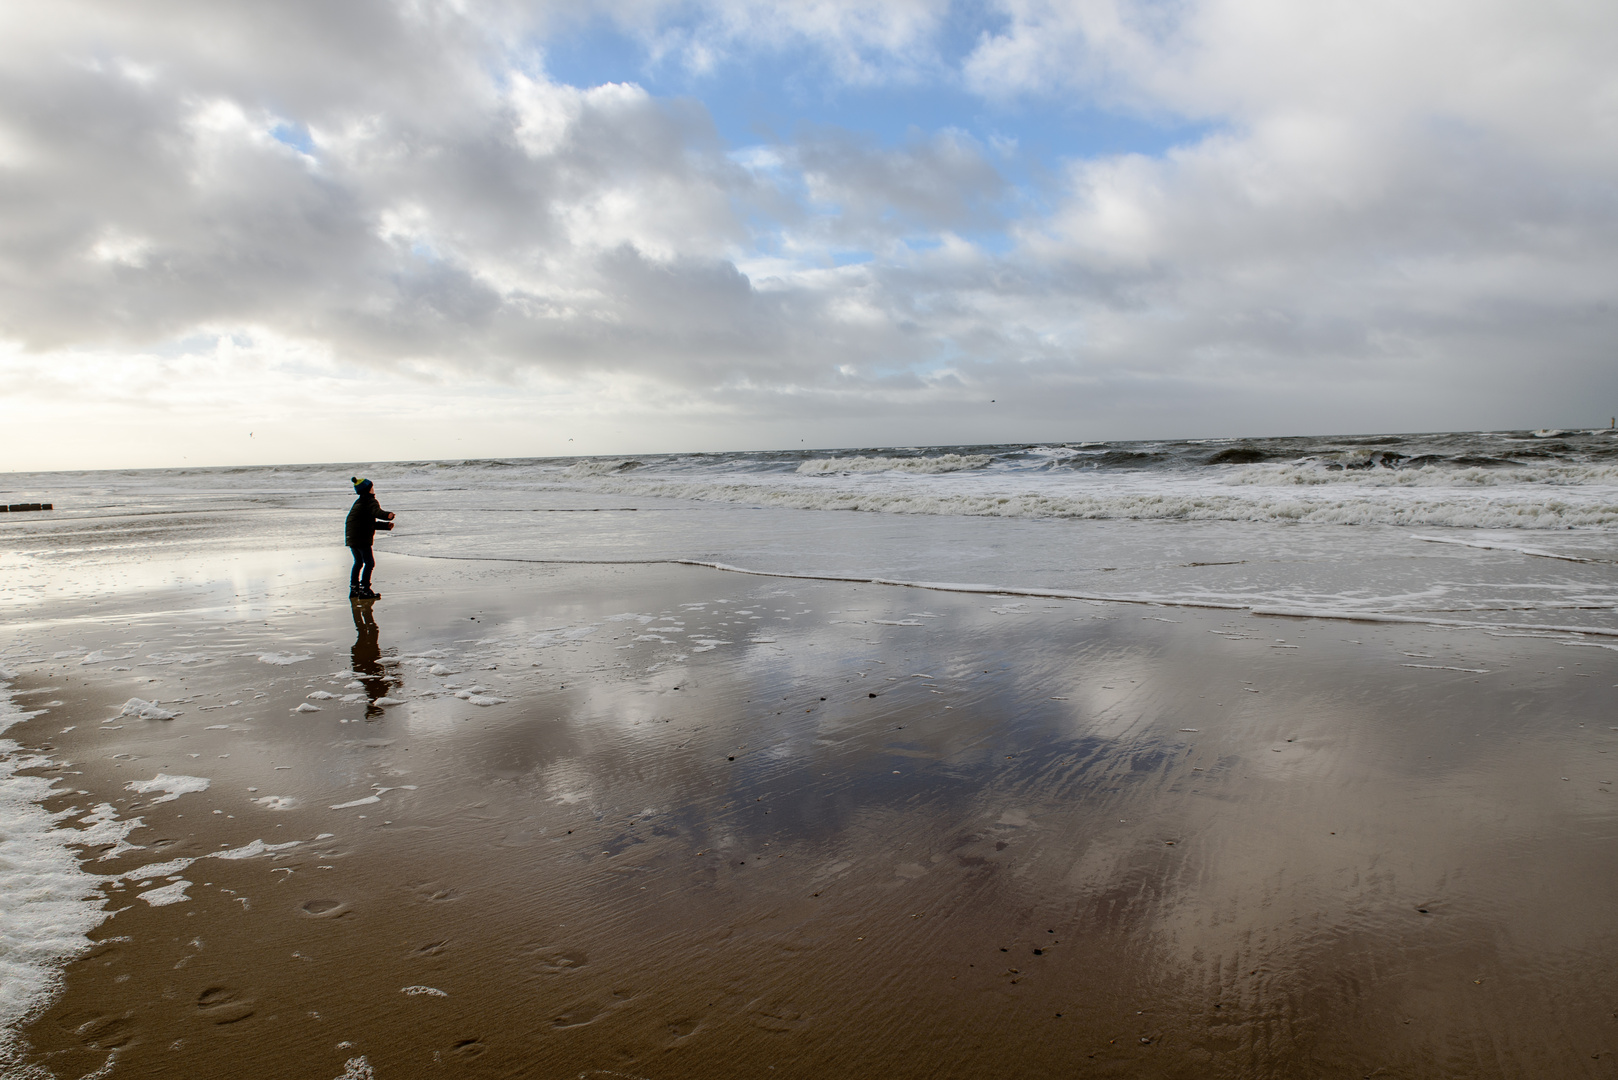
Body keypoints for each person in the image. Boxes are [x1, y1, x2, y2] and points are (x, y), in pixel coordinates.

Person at [345, 477, 395, 599]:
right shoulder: (370, 501)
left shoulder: (358, 502)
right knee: (369, 562)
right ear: (368, 490)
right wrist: (388, 516)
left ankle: (354, 589)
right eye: (372, 487)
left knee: (358, 562)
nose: (373, 489)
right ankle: (365, 590)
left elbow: (365, 522)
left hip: (352, 536)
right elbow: (377, 512)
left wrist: (385, 526)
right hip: (361, 537)